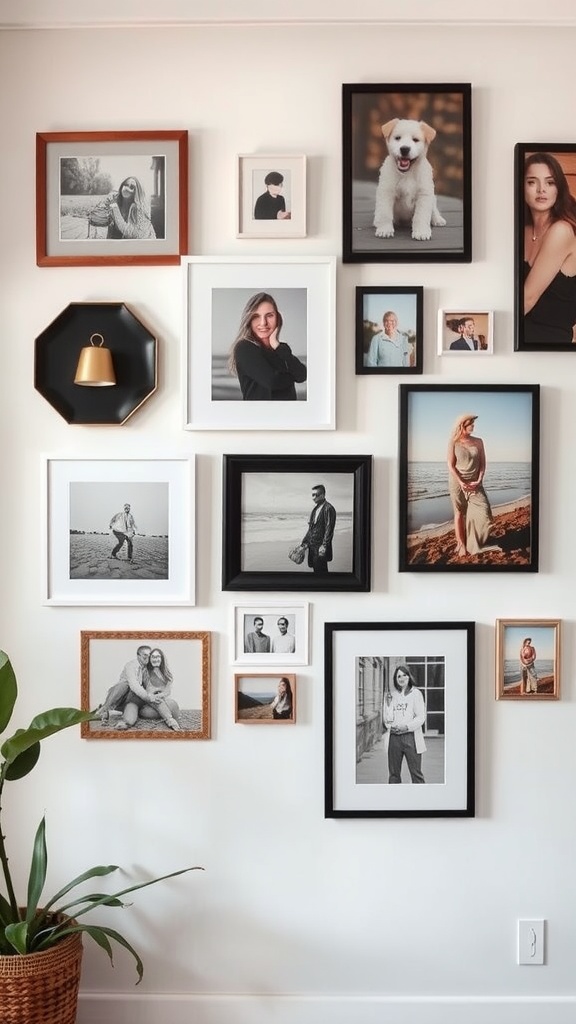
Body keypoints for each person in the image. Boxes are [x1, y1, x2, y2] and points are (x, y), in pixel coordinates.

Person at [523, 152, 576, 346]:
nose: (541, 190)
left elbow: (528, 298)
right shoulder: (522, 230)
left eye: (550, 182)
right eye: (531, 182)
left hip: (550, 348)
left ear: (558, 188)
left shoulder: (561, 230)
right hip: (520, 343)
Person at [227, 292, 307, 401]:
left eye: (269, 315)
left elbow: (302, 375)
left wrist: (277, 346)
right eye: (256, 316)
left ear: (277, 318)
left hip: (287, 415)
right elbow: (273, 381)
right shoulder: (244, 347)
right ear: (249, 320)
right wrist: (293, 375)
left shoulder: (281, 348)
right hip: (258, 416)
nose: (263, 323)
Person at [447, 413, 500, 558]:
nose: (473, 426)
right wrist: (461, 482)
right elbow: (450, 465)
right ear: (462, 426)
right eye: (470, 423)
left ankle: (473, 541)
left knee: (485, 512)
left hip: (475, 483)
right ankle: (461, 544)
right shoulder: (453, 442)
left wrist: (479, 480)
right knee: (459, 513)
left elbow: (483, 463)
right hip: (457, 482)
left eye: (473, 423)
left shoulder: (479, 441)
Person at [382, 665, 426, 784]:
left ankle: (421, 800)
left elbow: (421, 717)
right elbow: (387, 718)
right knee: (394, 775)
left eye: (404, 675)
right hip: (394, 737)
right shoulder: (391, 695)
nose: (401, 678)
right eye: (398, 676)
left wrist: (406, 727)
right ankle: (395, 799)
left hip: (411, 737)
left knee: (416, 774)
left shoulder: (416, 694)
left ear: (409, 676)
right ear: (395, 679)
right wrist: (391, 726)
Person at [89, 176, 156, 239]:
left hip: (143, 245)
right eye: (125, 184)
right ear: (122, 186)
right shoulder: (116, 201)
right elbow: (105, 223)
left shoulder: (138, 207)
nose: (127, 188)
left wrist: (114, 207)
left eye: (132, 186)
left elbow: (130, 234)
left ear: (137, 191)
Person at [301, 484, 336, 574]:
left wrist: (324, 545)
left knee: (322, 574)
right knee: (316, 572)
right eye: (312, 495)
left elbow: (329, 529)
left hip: (320, 548)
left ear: (323, 495)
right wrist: (304, 543)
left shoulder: (329, 508)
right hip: (312, 547)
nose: (313, 497)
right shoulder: (315, 509)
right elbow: (311, 529)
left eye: (316, 495)